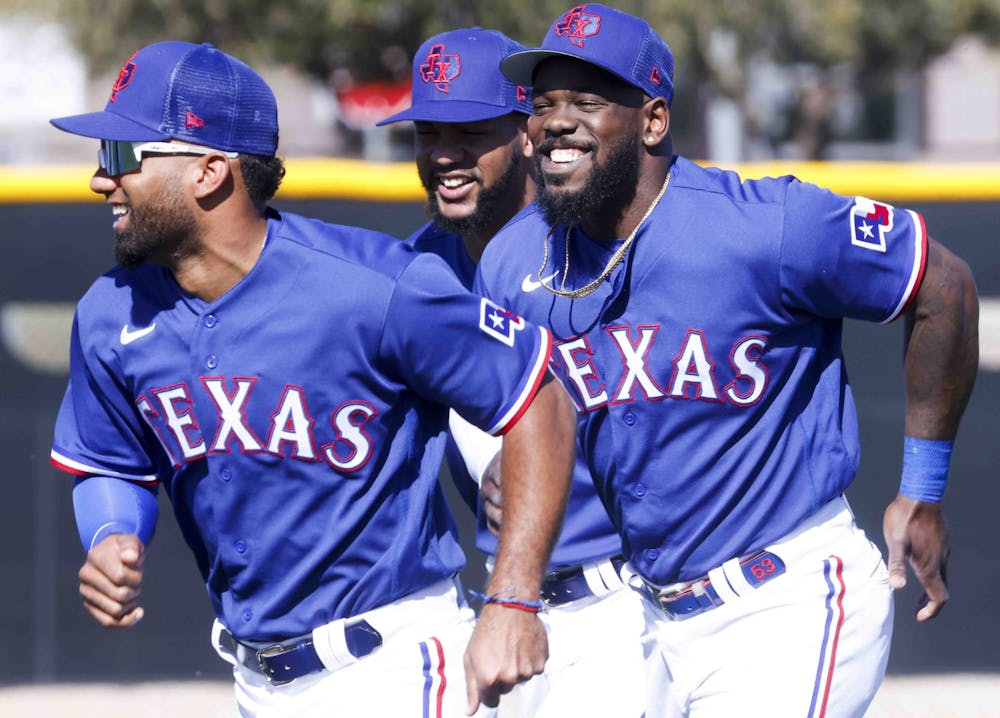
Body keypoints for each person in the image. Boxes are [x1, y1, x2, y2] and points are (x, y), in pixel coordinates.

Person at [476, 4, 980, 717]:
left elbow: (945, 286)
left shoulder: (766, 225)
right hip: (651, 621)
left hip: (787, 599)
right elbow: (531, 407)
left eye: (587, 100)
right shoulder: (516, 259)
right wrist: (519, 459)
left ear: (652, 121)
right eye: (544, 102)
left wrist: (922, 489)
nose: (554, 121)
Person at [48, 40, 578, 718]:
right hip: (252, 679)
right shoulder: (110, 311)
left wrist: (510, 600)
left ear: (210, 171)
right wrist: (112, 531)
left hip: (389, 665)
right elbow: (109, 461)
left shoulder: (374, 286)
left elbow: (539, 396)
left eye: (124, 157)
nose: (101, 179)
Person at [377, 27, 646, 718]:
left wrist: (538, 457)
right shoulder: (414, 278)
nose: (443, 156)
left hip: (631, 600)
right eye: (426, 133)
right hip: (508, 604)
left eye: (469, 132)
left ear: (527, 132)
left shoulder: (605, 245)